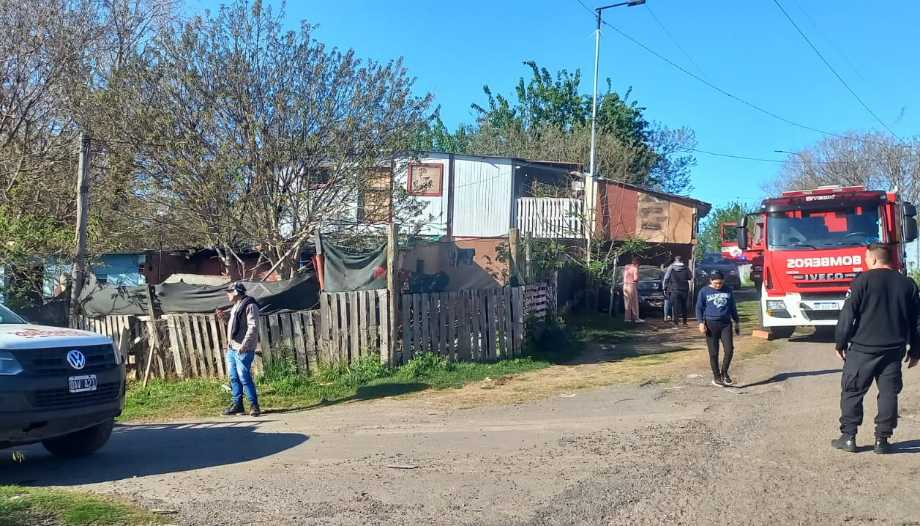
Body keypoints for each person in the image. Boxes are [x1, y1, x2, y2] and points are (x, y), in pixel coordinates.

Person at [832, 243, 920, 454]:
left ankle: (849, 437)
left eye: (865, 258)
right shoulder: (908, 284)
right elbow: (917, 321)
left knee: (853, 391)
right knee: (889, 393)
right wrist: (916, 350)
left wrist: (841, 343)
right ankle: (882, 439)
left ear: (872, 259)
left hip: (863, 349)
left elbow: (847, 315)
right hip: (893, 350)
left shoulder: (862, 280)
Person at [216, 282, 262, 417]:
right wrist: (224, 317)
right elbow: (236, 326)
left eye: (229, 291)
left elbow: (253, 327)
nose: (227, 294)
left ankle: (254, 405)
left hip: (242, 348)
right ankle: (238, 405)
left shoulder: (250, 306)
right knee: (234, 377)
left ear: (236, 292)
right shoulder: (236, 306)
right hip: (232, 347)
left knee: (244, 376)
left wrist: (245, 344)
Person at [696, 270, 740, 387]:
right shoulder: (704, 291)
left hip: (726, 323)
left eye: (720, 283)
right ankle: (716, 377)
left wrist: (737, 322)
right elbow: (699, 308)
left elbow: (732, 307)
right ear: (710, 280)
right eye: (716, 283)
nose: (718, 285)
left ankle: (724, 372)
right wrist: (701, 323)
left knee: (729, 349)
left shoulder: (727, 290)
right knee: (714, 352)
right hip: (711, 324)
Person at [664, 255, 693, 328]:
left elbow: (666, 278)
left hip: (674, 289)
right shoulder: (685, 267)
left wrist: (665, 288)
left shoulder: (671, 268)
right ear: (681, 261)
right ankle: (685, 323)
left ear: (675, 261)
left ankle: (676, 324)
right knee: (684, 306)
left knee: (675, 306)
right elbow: (690, 277)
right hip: (684, 289)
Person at [623, 257, 644, 323]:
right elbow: (635, 278)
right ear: (637, 264)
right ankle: (636, 318)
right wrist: (639, 279)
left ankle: (627, 318)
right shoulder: (635, 268)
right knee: (634, 302)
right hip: (631, 285)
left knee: (627, 302)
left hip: (625, 285)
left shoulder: (627, 267)